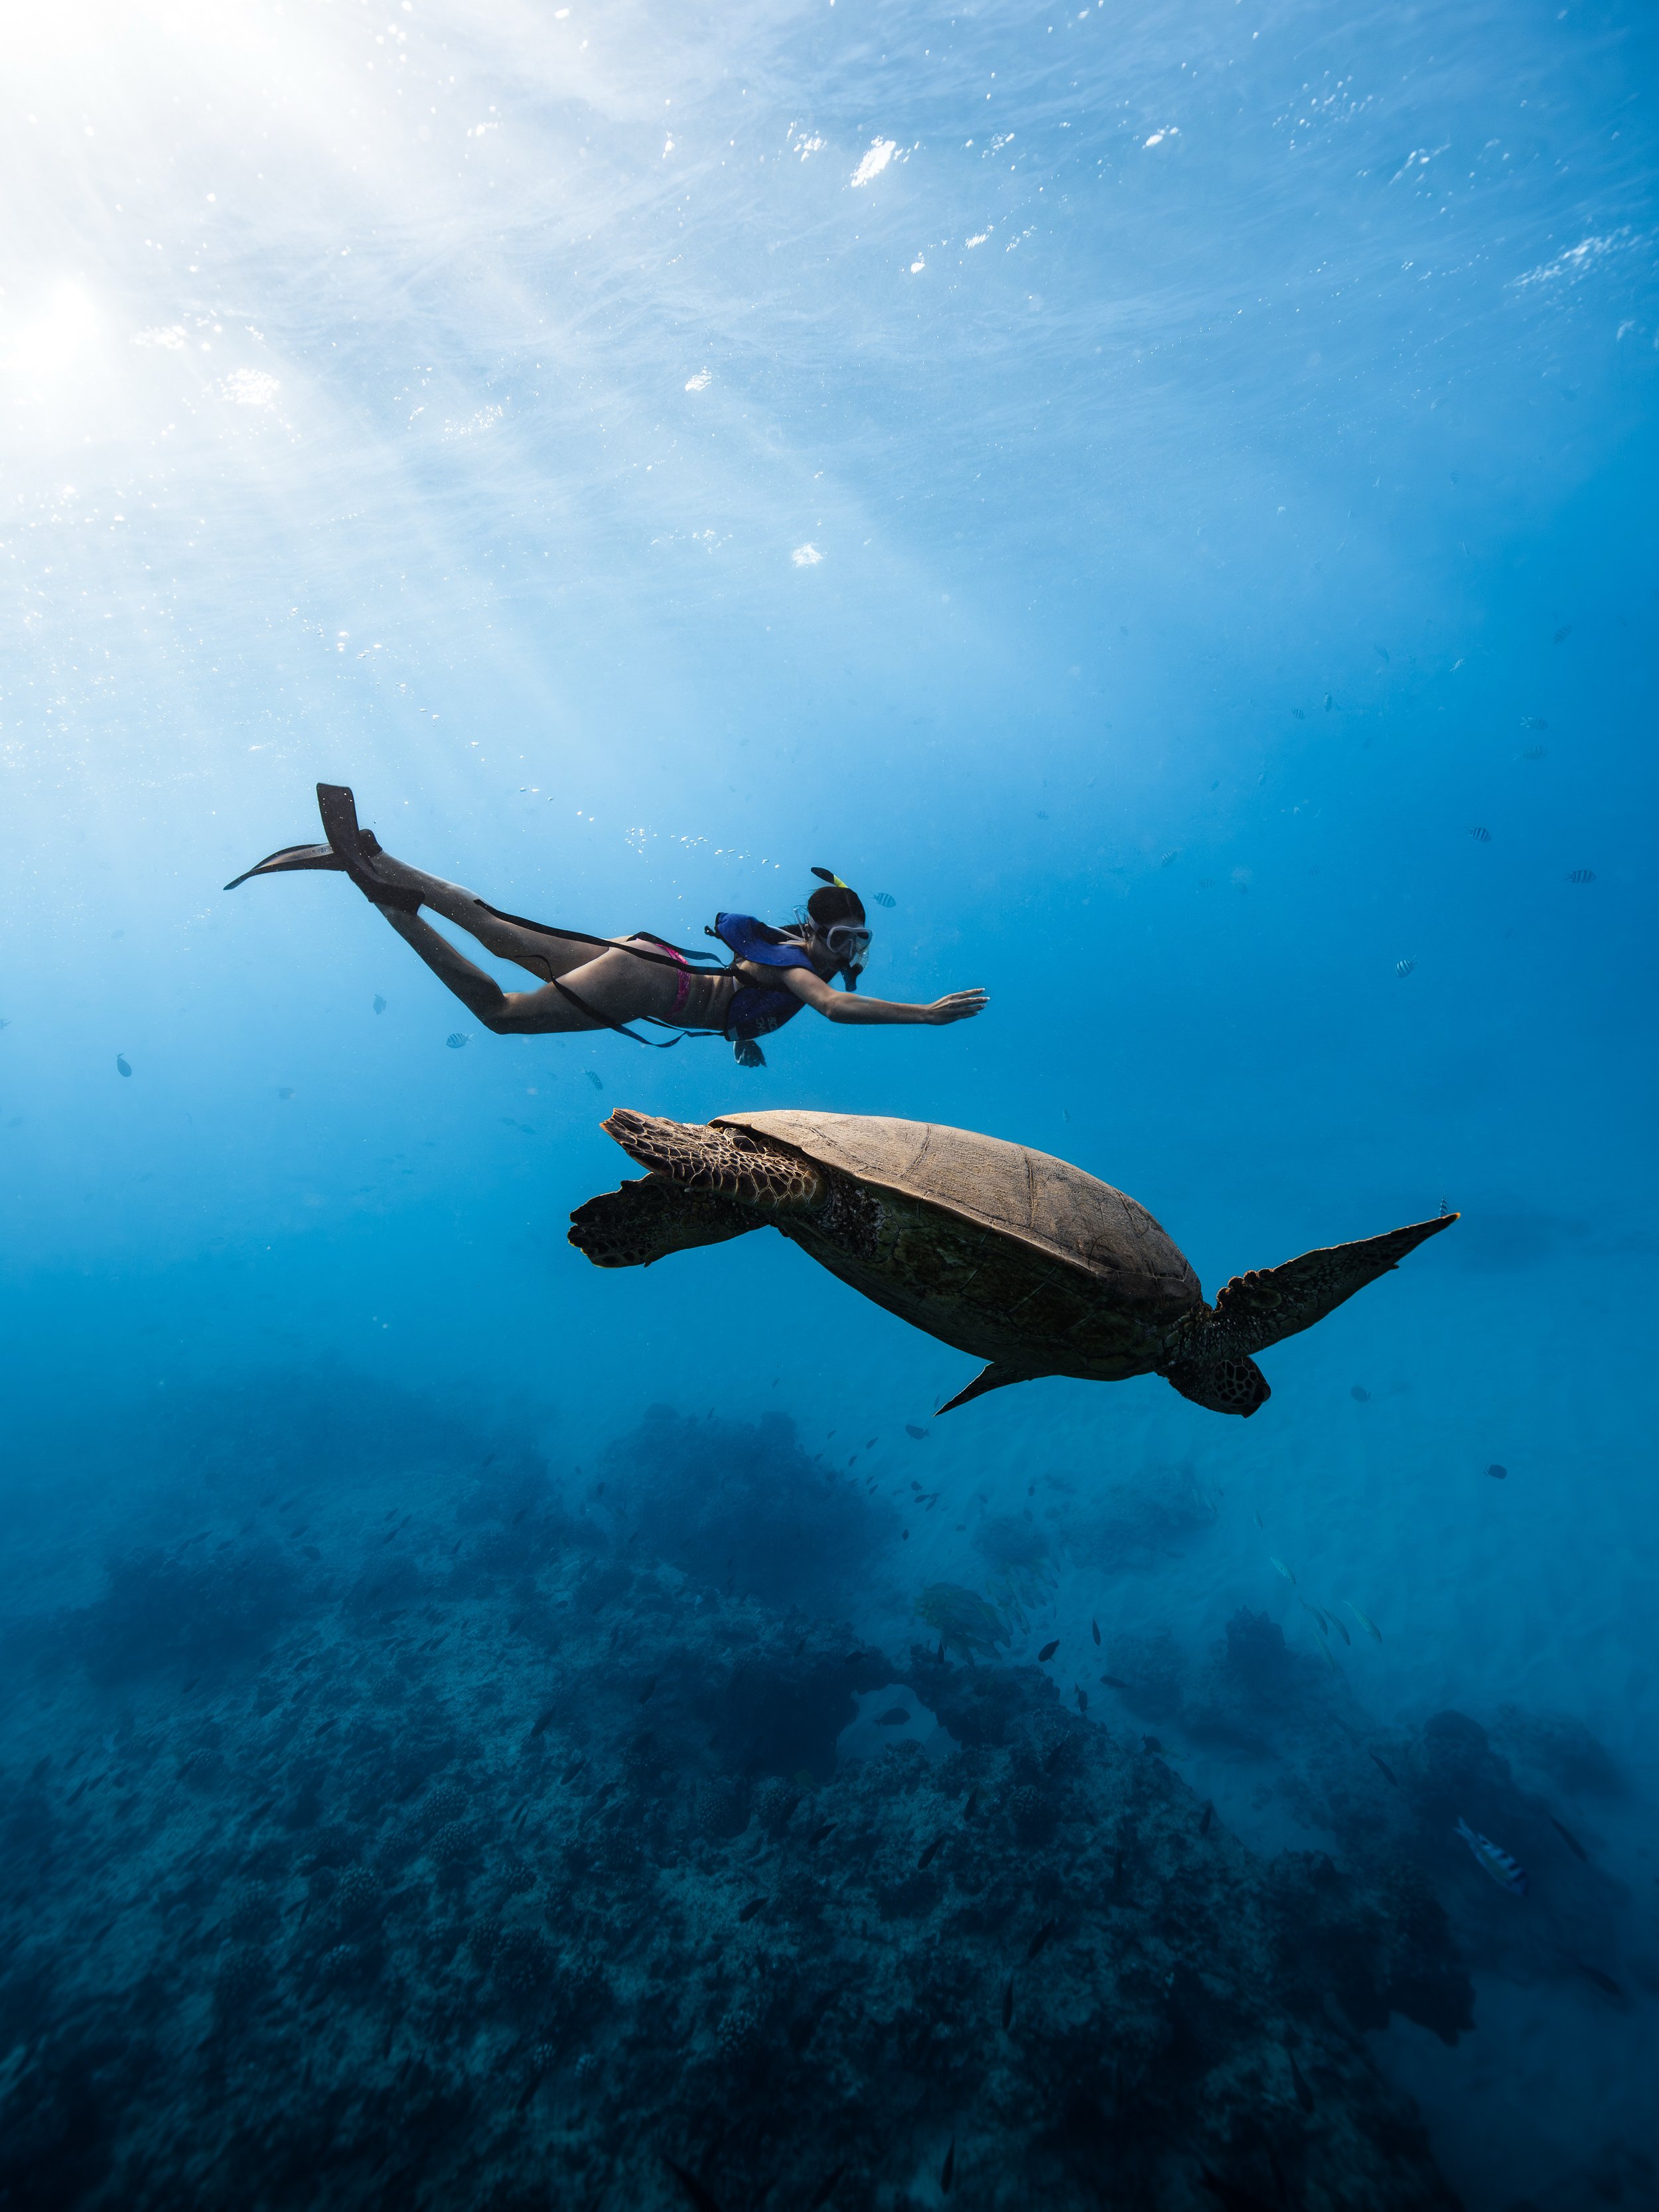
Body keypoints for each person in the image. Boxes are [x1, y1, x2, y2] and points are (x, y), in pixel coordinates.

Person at [227, 785, 988, 1065]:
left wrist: (744, 1033)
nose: (850, 952)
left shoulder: (785, 956)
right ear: (815, 934)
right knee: (498, 1017)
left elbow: (754, 990)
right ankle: (387, 902)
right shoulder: (800, 964)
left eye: (861, 942)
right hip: (648, 984)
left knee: (495, 927)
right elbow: (833, 1007)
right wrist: (921, 1016)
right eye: (841, 939)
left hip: (644, 958)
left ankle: (383, 861)